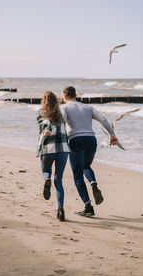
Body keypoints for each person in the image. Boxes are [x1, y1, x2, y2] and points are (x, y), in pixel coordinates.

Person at [61, 86, 118, 217]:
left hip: (76, 141)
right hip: (91, 140)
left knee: (77, 176)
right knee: (86, 166)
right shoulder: (88, 107)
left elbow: (62, 123)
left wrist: (61, 140)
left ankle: (88, 207)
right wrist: (112, 135)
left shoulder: (64, 107)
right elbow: (103, 119)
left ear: (64, 97)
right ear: (76, 95)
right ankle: (93, 184)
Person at [36, 91, 70, 222]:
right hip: (63, 150)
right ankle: (61, 209)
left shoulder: (40, 112)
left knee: (45, 171)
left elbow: (45, 123)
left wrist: (47, 130)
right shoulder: (61, 114)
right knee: (59, 180)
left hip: (47, 149)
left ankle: (46, 178)